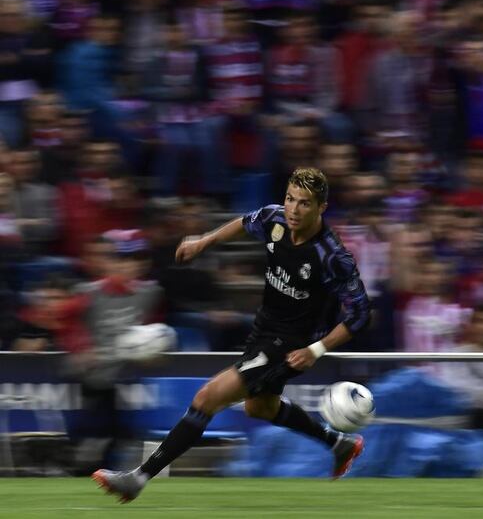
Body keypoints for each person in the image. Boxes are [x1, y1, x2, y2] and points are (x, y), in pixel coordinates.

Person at [92, 167, 371, 502]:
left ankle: (138, 478)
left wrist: (317, 349)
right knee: (260, 408)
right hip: (265, 328)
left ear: (322, 207)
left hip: (294, 343)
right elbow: (244, 222)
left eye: (305, 204)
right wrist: (203, 242)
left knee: (208, 397)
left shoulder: (333, 257)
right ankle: (339, 444)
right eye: (290, 199)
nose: (294, 210)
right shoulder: (274, 218)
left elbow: (360, 314)